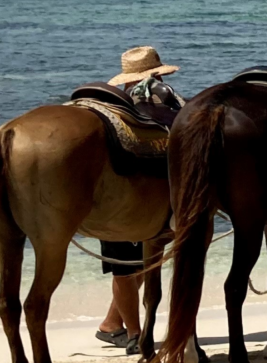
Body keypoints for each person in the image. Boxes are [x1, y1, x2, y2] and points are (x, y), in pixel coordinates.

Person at [94, 46, 184, 354]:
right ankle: (132, 332)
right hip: (129, 200)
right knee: (127, 268)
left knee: (135, 266)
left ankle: (112, 325)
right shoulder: (160, 104)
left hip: (116, 197)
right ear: (156, 74)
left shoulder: (117, 111)